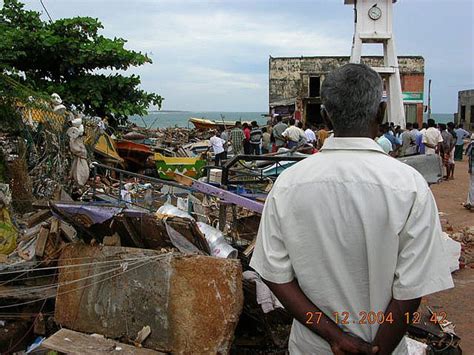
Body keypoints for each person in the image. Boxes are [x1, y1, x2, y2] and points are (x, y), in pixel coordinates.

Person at [250, 64, 453, 355]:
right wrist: (378, 349)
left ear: (324, 116)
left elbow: (276, 276)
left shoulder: (288, 184)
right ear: (380, 113)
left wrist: (336, 337)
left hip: (312, 347)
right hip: (387, 346)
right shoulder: (409, 186)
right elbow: (410, 289)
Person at [464, 134, 474, 209]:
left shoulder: (472, 145)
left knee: (472, 185)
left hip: (473, 167)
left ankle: (471, 203)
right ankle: (468, 202)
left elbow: (467, 153)